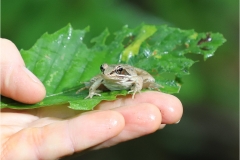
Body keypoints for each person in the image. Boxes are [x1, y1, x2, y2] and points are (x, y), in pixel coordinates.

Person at [0, 38, 183, 159]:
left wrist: (138, 88)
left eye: (114, 70)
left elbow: (137, 78)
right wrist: (91, 92)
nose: (108, 72)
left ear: (120, 70)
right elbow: (97, 81)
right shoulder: (105, 76)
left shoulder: (128, 73)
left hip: (131, 77)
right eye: (105, 69)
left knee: (148, 80)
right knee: (92, 81)